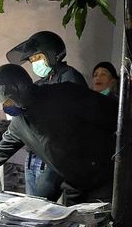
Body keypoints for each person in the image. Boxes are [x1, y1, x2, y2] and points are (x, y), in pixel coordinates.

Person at [0, 64, 118, 206]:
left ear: (19, 91)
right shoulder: (19, 123)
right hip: (74, 184)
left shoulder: (64, 95)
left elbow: (112, 115)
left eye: (6, 101)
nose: (5, 107)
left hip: (104, 180)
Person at [6, 31, 87, 200]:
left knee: (44, 207)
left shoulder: (69, 78)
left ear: (51, 53)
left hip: (53, 158)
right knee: (31, 205)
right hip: (33, 155)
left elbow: (67, 120)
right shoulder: (41, 82)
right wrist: (15, 107)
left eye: (37, 58)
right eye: (32, 61)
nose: (35, 64)